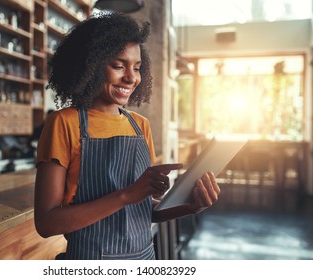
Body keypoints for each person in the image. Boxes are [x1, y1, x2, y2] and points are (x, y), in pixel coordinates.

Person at [34, 12, 220, 260]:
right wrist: (126, 195)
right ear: (90, 65)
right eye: (118, 66)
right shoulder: (64, 124)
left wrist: (190, 206)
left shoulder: (139, 126)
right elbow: (46, 223)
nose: (131, 78)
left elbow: (141, 211)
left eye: (137, 68)